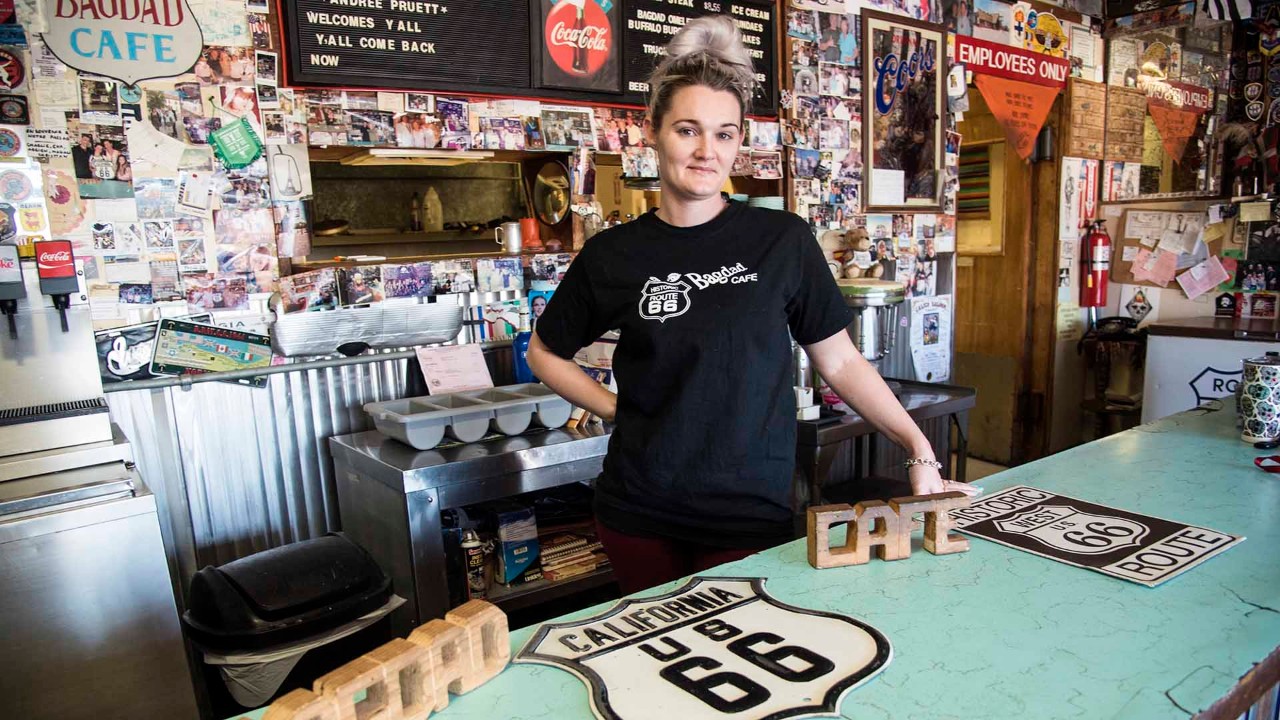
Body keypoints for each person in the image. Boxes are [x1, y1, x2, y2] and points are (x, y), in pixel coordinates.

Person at [527, 16, 977, 595]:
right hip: (639, 511)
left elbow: (840, 363)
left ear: (740, 141)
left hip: (748, 512)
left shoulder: (781, 240)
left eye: (724, 133)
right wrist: (619, 412)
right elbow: (545, 352)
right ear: (654, 131)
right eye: (688, 130)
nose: (706, 151)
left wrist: (919, 450)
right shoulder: (614, 254)